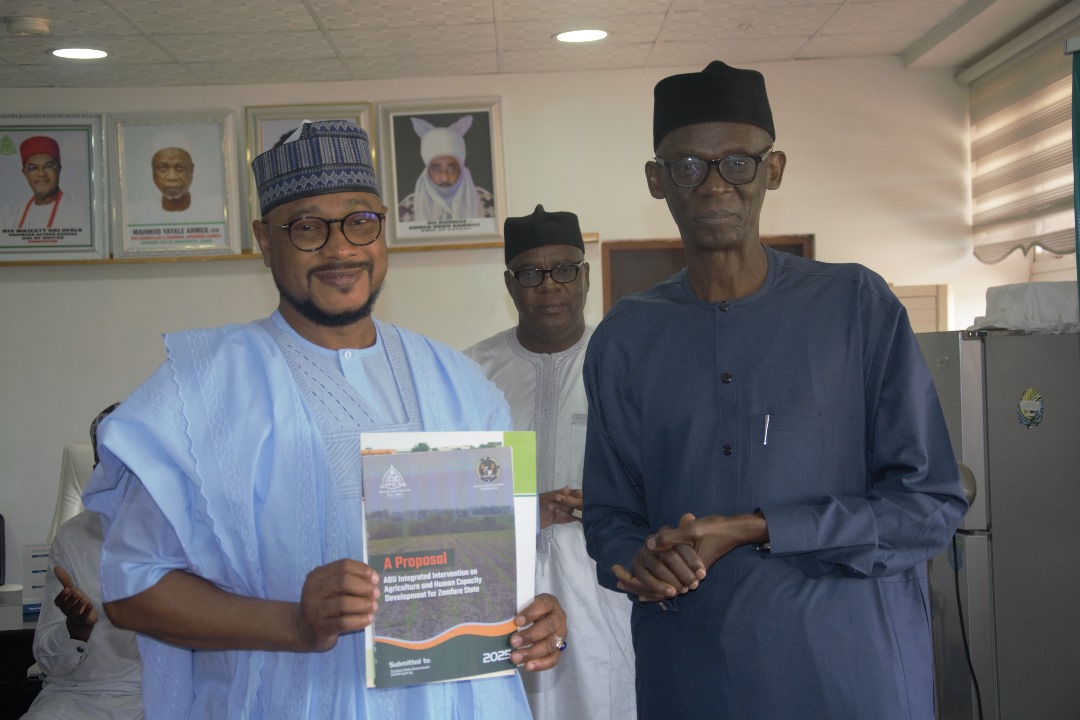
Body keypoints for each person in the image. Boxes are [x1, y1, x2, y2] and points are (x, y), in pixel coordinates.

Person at [84, 120, 566, 719]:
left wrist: (535, 620)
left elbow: (494, 574)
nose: (341, 249)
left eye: (360, 221)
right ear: (265, 240)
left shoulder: (461, 385)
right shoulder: (199, 390)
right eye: (308, 227)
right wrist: (293, 622)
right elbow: (132, 588)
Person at [581, 60, 969, 720]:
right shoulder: (627, 338)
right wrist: (640, 561)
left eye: (739, 162)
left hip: (851, 677)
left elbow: (928, 504)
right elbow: (610, 518)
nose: (714, 185)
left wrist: (757, 528)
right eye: (688, 166)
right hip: (692, 681)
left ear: (774, 169)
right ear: (656, 180)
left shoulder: (855, 306)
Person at [465, 205, 635, 720]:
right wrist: (523, 508)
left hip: (601, 585)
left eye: (563, 270)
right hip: (502, 581)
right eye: (530, 274)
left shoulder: (623, 360)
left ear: (585, 276)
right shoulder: (470, 372)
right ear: (510, 284)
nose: (549, 286)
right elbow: (451, 497)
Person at [24, 402, 142, 720]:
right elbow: (48, 662)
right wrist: (76, 629)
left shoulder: (190, 537)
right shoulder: (73, 537)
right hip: (81, 697)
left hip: (162, 698)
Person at [397, 115, 494, 223]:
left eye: (452, 169)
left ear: (461, 169)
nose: (445, 178)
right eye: (437, 170)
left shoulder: (485, 202)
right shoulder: (408, 208)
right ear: (427, 171)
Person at [2, 136, 86, 231]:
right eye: (33, 168)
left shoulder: (79, 212)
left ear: (59, 169)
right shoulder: (11, 214)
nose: (41, 174)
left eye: (48, 166)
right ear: (25, 173)